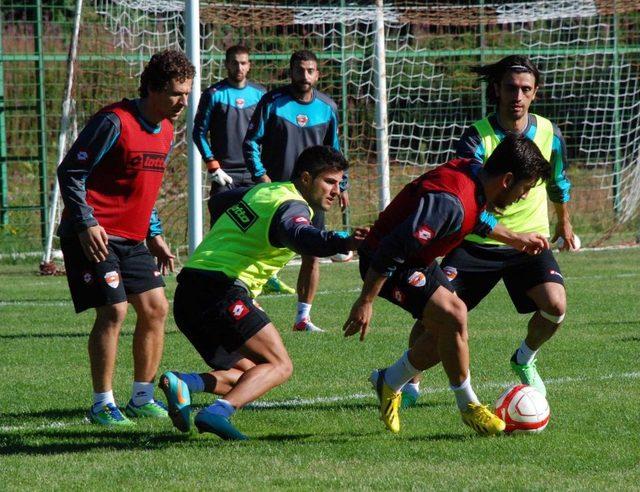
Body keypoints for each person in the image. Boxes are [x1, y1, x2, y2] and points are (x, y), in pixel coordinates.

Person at [343, 134, 550, 436]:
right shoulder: (448, 202)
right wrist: (366, 301)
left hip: (417, 261)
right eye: (525, 188)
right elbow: (392, 248)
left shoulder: (474, 175)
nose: (524, 196)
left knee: (448, 334)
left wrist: (516, 239)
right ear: (507, 180)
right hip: (387, 262)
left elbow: (476, 218)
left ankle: (389, 381)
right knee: (454, 315)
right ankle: (469, 406)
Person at [401, 55, 574, 408]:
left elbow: (558, 181)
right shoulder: (476, 138)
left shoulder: (548, 133)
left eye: (526, 89)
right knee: (433, 317)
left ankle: (524, 358)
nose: (518, 96)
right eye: (511, 88)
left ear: (535, 93)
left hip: (531, 243)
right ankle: (408, 383)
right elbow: (471, 199)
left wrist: (564, 221)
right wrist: (509, 234)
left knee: (555, 307)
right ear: (497, 89)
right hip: (478, 241)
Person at [159, 146, 366, 440]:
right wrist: (345, 241)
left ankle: (185, 383)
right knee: (280, 366)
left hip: (188, 295)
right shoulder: (293, 205)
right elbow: (301, 236)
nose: (336, 190)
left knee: (253, 376)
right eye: (330, 182)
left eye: (340, 183)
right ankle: (217, 413)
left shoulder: (263, 191)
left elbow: (219, 202)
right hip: (222, 291)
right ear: (306, 179)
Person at [56, 50, 195, 426]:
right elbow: (70, 171)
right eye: (176, 94)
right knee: (114, 310)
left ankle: (141, 398)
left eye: (187, 93)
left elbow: (140, 188)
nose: (183, 102)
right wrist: (85, 223)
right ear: (152, 88)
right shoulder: (113, 121)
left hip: (133, 238)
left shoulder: (166, 129)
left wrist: (154, 233)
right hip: (94, 235)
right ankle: (102, 404)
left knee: (155, 309)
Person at [243, 49, 349, 332]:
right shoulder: (273, 102)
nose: (305, 76)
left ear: (318, 74)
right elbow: (251, 141)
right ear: (290, 71)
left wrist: (343, 183)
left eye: (310, 70)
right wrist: (261, 176)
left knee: (312, 252)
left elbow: (334, 151)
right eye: (300, 70)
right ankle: (245, 303)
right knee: (262, 250)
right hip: (277, 194)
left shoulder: (327, 107)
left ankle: (303, 318)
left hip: (312, 195)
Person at [192, 45, 267, 217]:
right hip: (224, 173)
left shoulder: (260, 94)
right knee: (221, 229)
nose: (239, 68)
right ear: (226, 64)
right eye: (234, 63)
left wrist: (263, 169)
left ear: (249, 65)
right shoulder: (213, 94)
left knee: (254, 231)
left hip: (254, 173)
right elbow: (199, 132)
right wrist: (213, 166)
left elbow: (268, 134)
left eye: (243, 63)